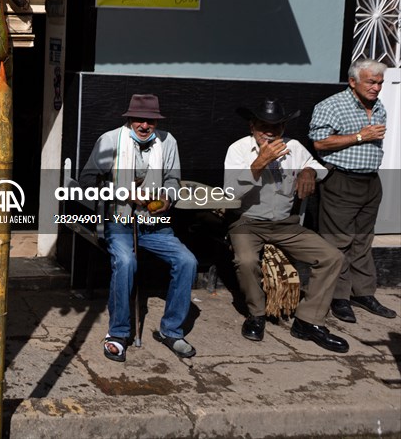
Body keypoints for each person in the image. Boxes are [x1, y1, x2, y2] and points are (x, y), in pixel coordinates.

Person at [78, 94, 198, 362]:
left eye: (150, 120)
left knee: (187, 261)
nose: (144, 125)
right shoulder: (109, 141)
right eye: (139, 120)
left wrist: (168, 197)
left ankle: (171, 331)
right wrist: (125, 193)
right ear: (129, 119)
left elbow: (173, 179)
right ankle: (118, 334)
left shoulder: (168, 142)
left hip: (155, 226)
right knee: (126, 261)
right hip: (119, 222)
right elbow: (87, 182)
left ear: (157, 121)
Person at [224, 99, 348, 352]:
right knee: (246, 261)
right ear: (252, 126)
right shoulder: (238, 149)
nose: (270, 132)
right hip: (247, 221)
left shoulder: (294, 147)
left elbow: (315, 166)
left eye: (276, 126)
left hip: (284, 223)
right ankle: (256, 315)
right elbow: (230, 192)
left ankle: (308, 321)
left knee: (332, 257)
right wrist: (259, 162)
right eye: (263, 126)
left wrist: (309, 172)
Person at [309, 58, 396, 322]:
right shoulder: (332, 106)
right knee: (339, 241)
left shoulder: (378, 106)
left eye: (380, 82)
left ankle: (364, 293)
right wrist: (361, 136)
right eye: (371, 82)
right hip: (342, 181)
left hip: (370, 181)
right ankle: (339, 297)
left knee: (362, 240)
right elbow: (320, 143)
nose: (377, 87)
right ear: (353, 81)